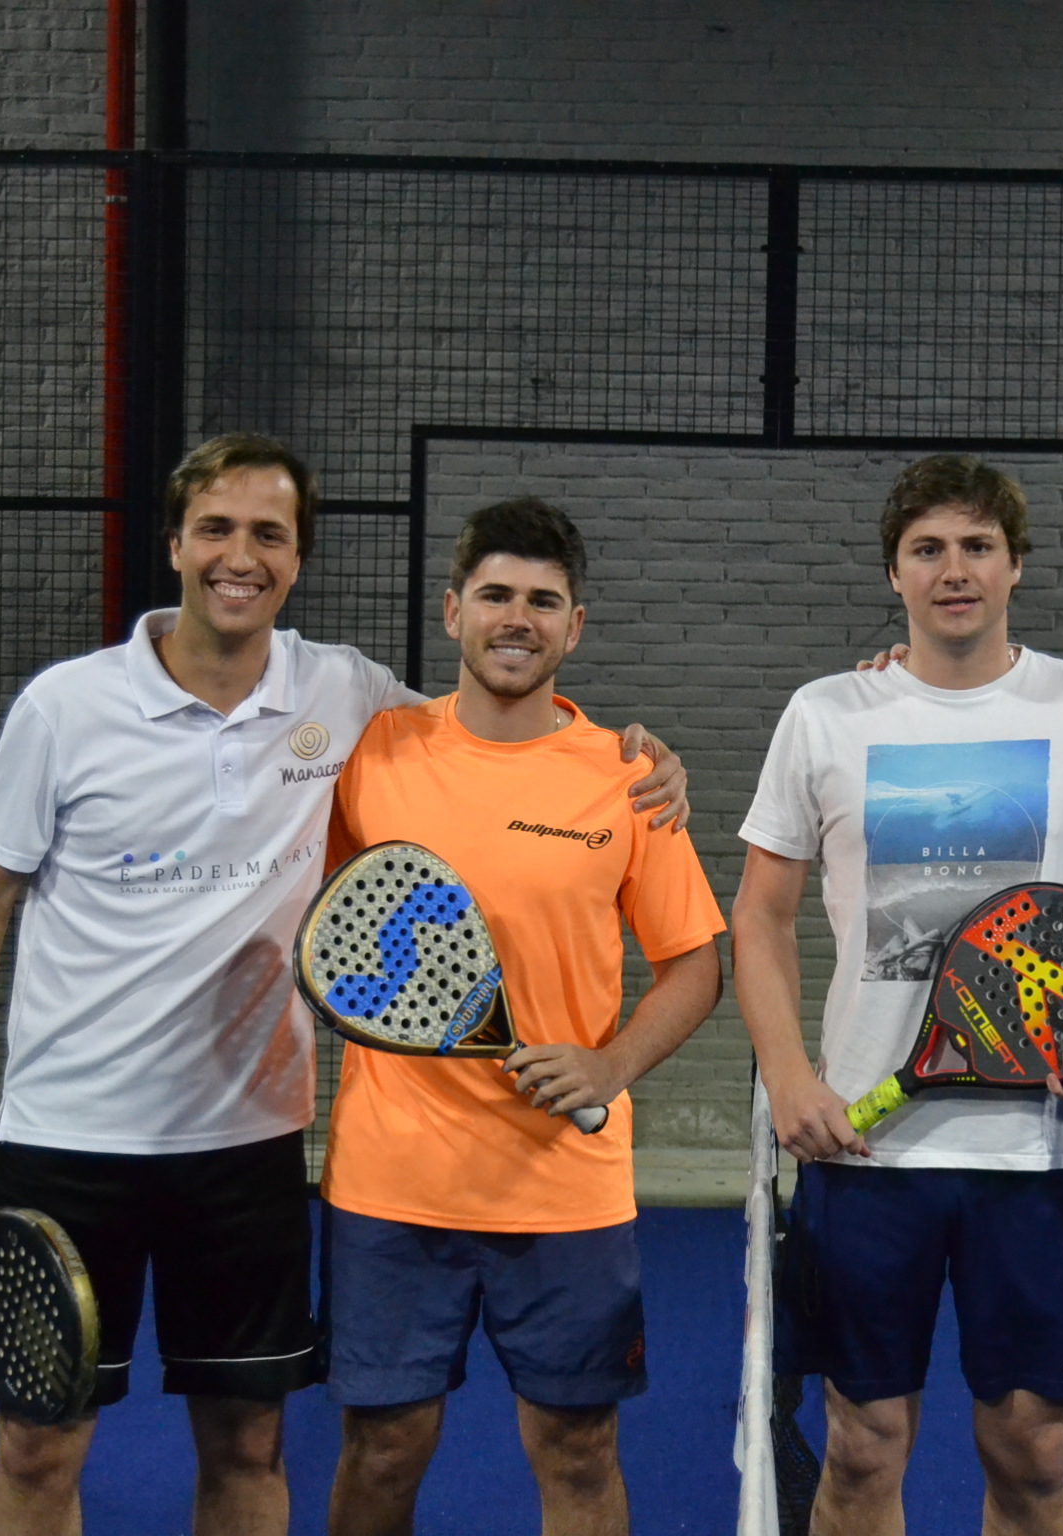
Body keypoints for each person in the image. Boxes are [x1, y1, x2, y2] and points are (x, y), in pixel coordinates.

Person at [0, 438, 688, 1536]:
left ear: (298, 559)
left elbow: (494, 727)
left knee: (248, 1446)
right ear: (175, 544)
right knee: (35, 1443)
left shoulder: (344, 694)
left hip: (247, 1146)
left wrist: (634, 754)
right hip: (67, 1140)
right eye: (216, 528)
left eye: (269, 534)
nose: (239, 556)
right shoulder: (64, 708)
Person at [731, 454, 1063, 1536]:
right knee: (860, 1448)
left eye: (978, 546)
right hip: (862, 1152)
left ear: (1015, 565)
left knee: (1032, 1455)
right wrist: (789, 1075)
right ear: (894, 572)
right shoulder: (826, 714)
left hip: (1037, 1158)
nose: (954, 570)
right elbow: (758, 915)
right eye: (927, 549)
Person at [318, 496, 725, 1536]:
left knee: (578, 1452)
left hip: (565, 1188)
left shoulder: (629, 778)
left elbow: (694, 967)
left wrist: (610, 1067)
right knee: (382, 1449)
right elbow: (328, 920)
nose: (517, 619)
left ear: (574, 627)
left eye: (543, 602)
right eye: (496, 595)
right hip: (393, 1180)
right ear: (453, 610)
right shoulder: (375, 753)